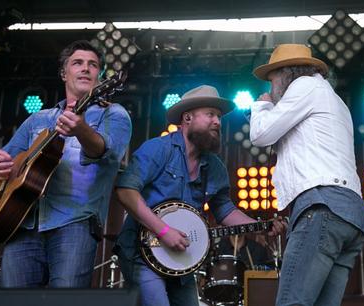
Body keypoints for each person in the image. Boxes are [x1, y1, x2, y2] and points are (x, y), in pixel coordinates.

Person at [0, 40, 132, 288]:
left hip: (75, 224)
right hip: (22, 222)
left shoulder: (113, 114)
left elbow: (105, 152)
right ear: (64, 73)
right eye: (77, 63)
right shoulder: (38, 119)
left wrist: (81, 129)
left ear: (101, 76)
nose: (85, 68)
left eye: (93, 65)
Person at [114, 85, 286, 306]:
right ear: (187, 118)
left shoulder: (215, 166)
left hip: (181, 261)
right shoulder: (158, 149)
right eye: (210, 115)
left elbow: (225, 210)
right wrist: (163, 230)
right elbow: (126, 190)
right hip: (142, 253)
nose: (217, 122)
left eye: (219, 117)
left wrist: (261, 225)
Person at [249, 44, 364, 306]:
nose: (271, 89)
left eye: (272, 81)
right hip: (351, 215)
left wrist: (261, 106)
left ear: (286, 74)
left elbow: (260, 135)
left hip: (323, 207)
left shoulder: (304, 87)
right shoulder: (333, 99)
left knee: (292, 302)